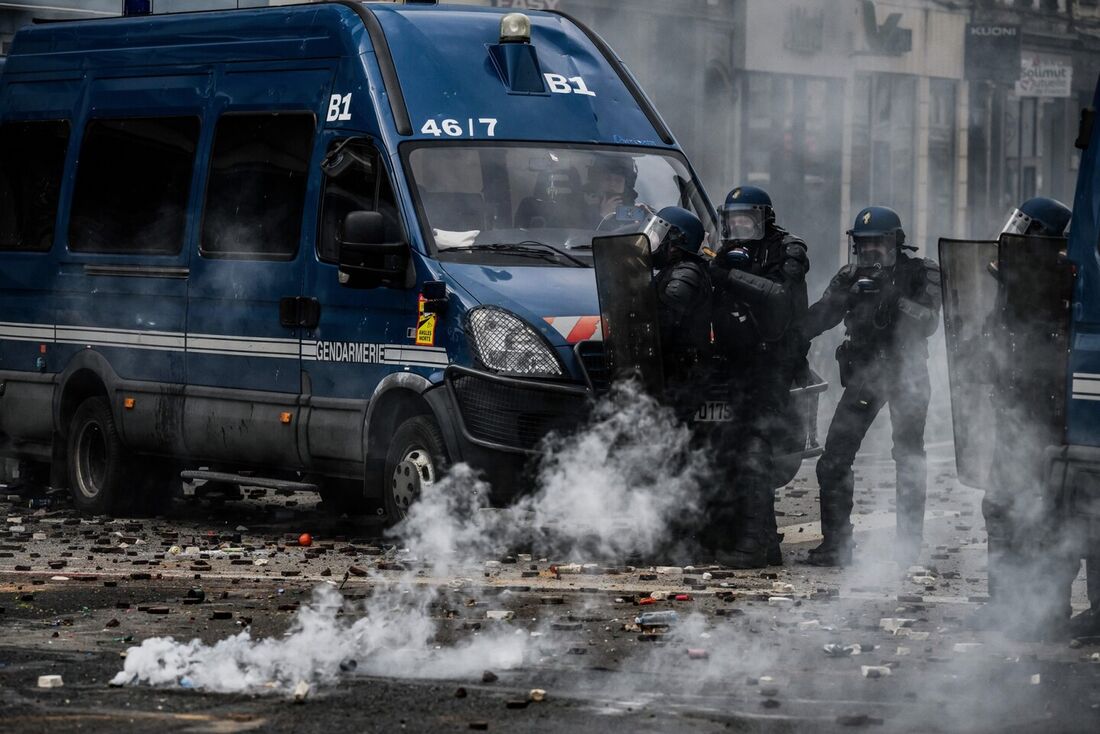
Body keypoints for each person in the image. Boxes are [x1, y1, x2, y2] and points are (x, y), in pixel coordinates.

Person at [972, 197, 1084, 638]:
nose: (1013, 234)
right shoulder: (1011, 282)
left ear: (1043, 237)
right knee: (999, 506)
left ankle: (1048, 609)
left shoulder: (1065, 284)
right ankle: (1004, 604)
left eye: (1024, 227)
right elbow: (990, 339)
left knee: (1047, 514)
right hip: (1013, 414)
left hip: (1049, 419)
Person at [805, 207, 941, 568]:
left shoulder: (920, 271)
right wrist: (787, 337)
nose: (871, 251)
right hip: (867, 374)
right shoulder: (851, 276)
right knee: (834, 457)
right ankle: (837, 546)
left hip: (908, 374)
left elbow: (929, 321)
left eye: (878, 243)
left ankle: (907, 547)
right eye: (863, 244)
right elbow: (821, 316)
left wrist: (893, 296)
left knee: (909, 459)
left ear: (895, 242)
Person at [707, 186, 810, 568]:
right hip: (738, 364)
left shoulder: (788, 248)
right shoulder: (728, 251)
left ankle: (754, 547)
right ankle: (764, 545)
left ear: (764, 218)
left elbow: (779, 295)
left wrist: (729, 274)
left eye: (746, 219)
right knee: (741, 451)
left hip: (773, 364)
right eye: (732, 220)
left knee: (754, 449)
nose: (738, 226)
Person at [650, 206, 712, 393]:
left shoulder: (686, 273)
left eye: (657, 235)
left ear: (675, 243)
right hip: (674, 373)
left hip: (682, 378)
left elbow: (663, 321)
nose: (650, 240)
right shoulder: (672, 269)